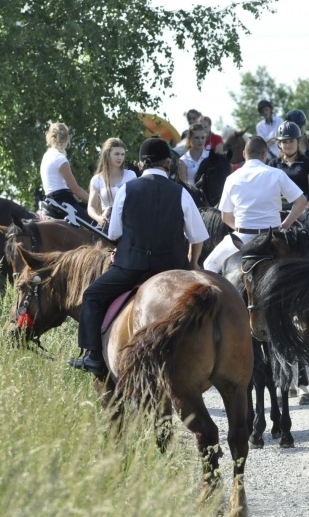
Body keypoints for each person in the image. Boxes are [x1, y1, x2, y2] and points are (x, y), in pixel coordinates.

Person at [69, 137, 209, 375]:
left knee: (92, 296)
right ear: (168, 162)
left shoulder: (127, 190)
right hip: (172, 269)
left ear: (142, 165)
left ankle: (93, 356)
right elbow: (198, 237)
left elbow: (114, 232)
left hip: (131, 267)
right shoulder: (181, 193)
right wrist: (193, 263)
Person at [203, 135, 308, 274]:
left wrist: (243, 228)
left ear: (244, 154)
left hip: (243, 237)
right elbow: (301, 202)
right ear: (264, 154)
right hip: (274, 236)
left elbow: (226, 217)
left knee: (208, 266)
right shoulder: (277, 174)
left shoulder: (231, 178)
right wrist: (284, 226)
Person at [268, 121, 309, 242]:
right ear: (279, 144)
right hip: (277, 211)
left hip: (303, 211)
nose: (288, 145)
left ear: (298, 142)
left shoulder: (308, 163)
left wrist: (306, 211)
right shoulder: (273, 164)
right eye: (284, 142)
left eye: (291, 141)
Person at [39, 122, 91, 222]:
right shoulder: (60, 158)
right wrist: (95, 201)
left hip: (51, 199)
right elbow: (75, 189)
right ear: (67, 138)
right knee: (95, 224)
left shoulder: (47, 155)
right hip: (63, 200)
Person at [87, 138, 137, 231]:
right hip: (107, 224)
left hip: (127, 224)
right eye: (116, 154)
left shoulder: (130, 175)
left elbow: (136, 203)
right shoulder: (97, 179)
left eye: (122, 154)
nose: (120, 158)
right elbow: (91, 208)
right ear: (107, 154)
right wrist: (99, 218)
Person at [178, 123, 230, 205]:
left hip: (210, 200)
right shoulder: (183, 160)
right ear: (190, 139)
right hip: (191, 200)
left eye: (203, 137)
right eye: (197, 138)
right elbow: (184, 186)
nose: (200, 141)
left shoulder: (211, 156)